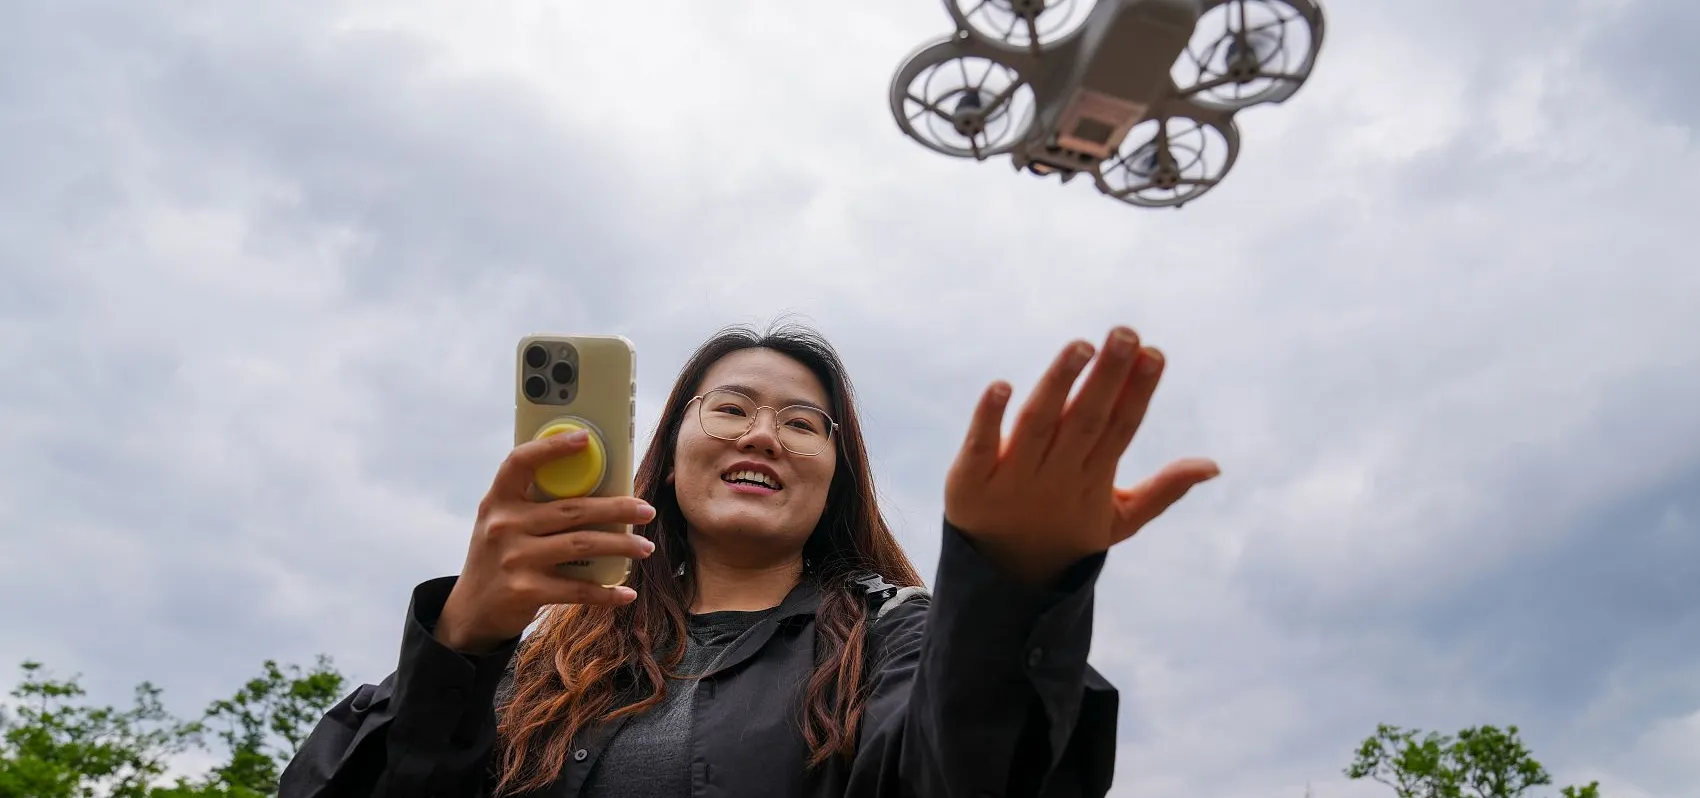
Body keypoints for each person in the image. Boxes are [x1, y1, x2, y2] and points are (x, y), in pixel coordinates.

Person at [279, 322, 1219, 798]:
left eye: (803, 423)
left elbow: (974, 775)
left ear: (835, 473)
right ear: (673, 448)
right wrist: (460, 641)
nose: (764, 435)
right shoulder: (536, 666)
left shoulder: (898, 642)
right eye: (730, 408)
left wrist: (1011, 585)